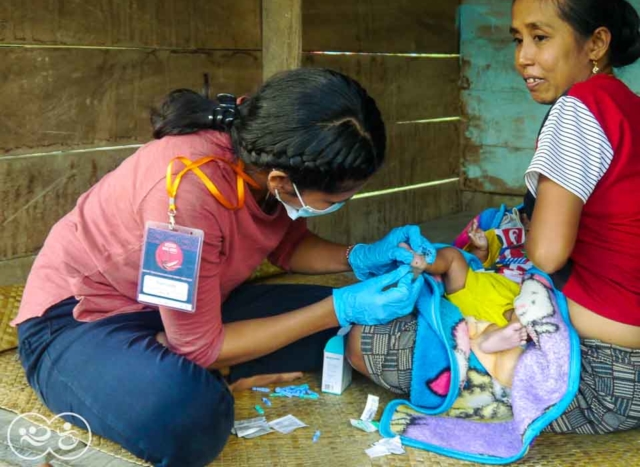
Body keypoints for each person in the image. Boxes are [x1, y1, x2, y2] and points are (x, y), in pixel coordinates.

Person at [12, 68, 429, 466]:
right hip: (83, 321)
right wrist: (340, 307)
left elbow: (285, 244)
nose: (343, 204)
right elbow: (199, 346)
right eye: (339, 197)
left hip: (189, 308)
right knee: (186, 418)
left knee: (382, 321)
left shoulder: (266, 151)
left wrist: (360, 256)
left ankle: (199, 358)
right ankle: (196, 370)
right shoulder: (184, 192)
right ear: (282, 182)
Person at [347, 0, 640, 435]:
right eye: (517, 39)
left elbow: (546, 255)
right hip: (626, 360)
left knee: (362, 340)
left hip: (601, 375)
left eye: (540, 38)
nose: (523, 57)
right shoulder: (626, 105)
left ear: (596, 44)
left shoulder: (578, 110)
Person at [403, 220, 527, 387]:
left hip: (488, 304)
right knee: (454, 256)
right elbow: (480, 267)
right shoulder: (510, 252)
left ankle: (494, 338)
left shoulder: (538, 266)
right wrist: (481, 249)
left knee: (454, 257)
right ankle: (423, 262)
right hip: (484, 290)